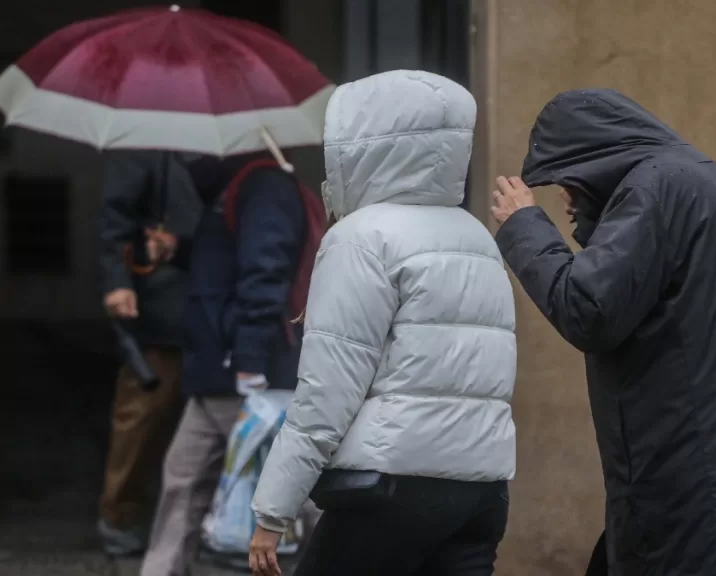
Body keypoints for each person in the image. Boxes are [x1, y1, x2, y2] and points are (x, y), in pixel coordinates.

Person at [491, 89, 716, 576]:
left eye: (568, 178)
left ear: (595, 157)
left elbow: (588, 307)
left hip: (692, 494)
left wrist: (524, 225)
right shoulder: (712, 184)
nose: (565, 196)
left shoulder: (655, 189)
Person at [247, 70, 517, 576]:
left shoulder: (362, 238)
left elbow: (326, 394)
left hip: (390, 486)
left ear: (358, 147)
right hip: (481, 490)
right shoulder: (477, 236)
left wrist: (272, 510)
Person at [137, 150, 314, 576]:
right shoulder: (238, 189)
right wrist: (180, 249)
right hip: (222, 372)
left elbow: (265, 272)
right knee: (186, 479)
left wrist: (249, 362)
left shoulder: (264, 187)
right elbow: (229, 258)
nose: (186, 157)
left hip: (246, 375)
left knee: (292, 496)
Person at [96, 150, 200, 556]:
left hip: (215, 302)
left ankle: (209, 520)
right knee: (142, 415)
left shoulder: (230, 137)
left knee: (215, 423)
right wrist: (116, 281)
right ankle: (119, 516)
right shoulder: (144, 141)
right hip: (162, 305)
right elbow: (114, 218)